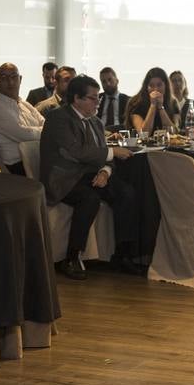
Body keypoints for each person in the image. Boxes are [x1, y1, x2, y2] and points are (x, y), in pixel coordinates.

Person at [38, 74, 140, 280]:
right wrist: (112, 153)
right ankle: (71, 257)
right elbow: (77, 151)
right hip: (63, 178)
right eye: (93, 98)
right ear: (77, 99)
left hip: (90, 174)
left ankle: (123, 255)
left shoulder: (95, 122)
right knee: (89, 198)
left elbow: (102, 154)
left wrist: (105, 171)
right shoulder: (59, 118)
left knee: (126, 193)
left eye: (98, 97)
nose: (98, 102)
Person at [0, 62, 44, 175]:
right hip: (17, 166)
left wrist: (42, 129)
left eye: (14, 77)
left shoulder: (25, 104)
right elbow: (26, 135)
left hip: (36, 157)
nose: (10, 82)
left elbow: (45, 123)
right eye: (4, 78)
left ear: (20, 79)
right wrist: (44, 130)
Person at [127, 67, 180, 136]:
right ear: (146, 87)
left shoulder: (173, 102)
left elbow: (174, 132)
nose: (156, 89)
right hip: (142, 145)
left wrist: (161, 107)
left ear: (166, 86)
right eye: (151, 86)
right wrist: (153, 106)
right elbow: (143, 134)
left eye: (159, 85)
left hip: (167, 145)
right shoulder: (135, 102)